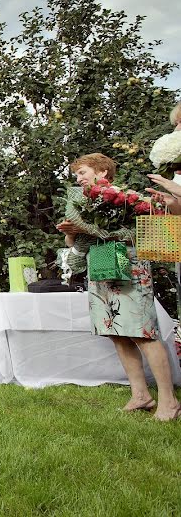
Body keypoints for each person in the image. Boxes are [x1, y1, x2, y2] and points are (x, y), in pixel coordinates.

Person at [56, 153, 180, 421]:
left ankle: (169, 401)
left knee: (142, 332)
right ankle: (140, 395)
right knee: (116, 332)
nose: (77, 178)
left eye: (82, 172)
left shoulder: (128, 199)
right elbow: (73, 246)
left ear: (102, 173)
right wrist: (70, 232)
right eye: (76, 175)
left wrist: (91, 230)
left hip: (130, 265)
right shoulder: (80, 201)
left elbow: (140, 233)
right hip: (100, 265)